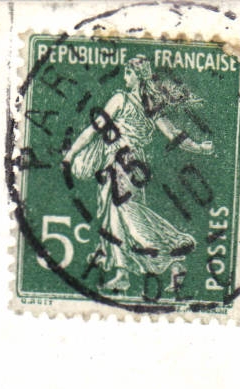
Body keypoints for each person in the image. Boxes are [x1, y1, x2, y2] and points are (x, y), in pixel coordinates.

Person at [62, 55, 214, 296]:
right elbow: (174, 134)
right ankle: (154, 267)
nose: (125, 78)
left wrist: (71, 154)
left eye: (128, 73)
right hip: (137, 166)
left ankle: (168, 252)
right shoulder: (151, 107)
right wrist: (199, 147)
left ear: (138, 76)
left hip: (120, 164)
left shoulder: (120, 99)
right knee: (122, 217)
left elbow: (94, 129)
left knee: (125, 216)